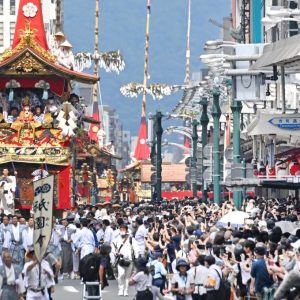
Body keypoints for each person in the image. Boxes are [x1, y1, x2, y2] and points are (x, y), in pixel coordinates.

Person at [112, 224, 139, 296]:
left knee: (127, 276)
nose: (122, 231)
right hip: (120, 260)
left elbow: (136, 248)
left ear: (127, 230)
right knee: (121, 274)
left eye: (123, 229)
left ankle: (126, 290)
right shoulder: (116, 239)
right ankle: (120, 289)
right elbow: (112, 247)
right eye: (121, 229)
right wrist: (114, 252)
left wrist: (136, 257)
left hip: (129, 260)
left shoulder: (131, 239)